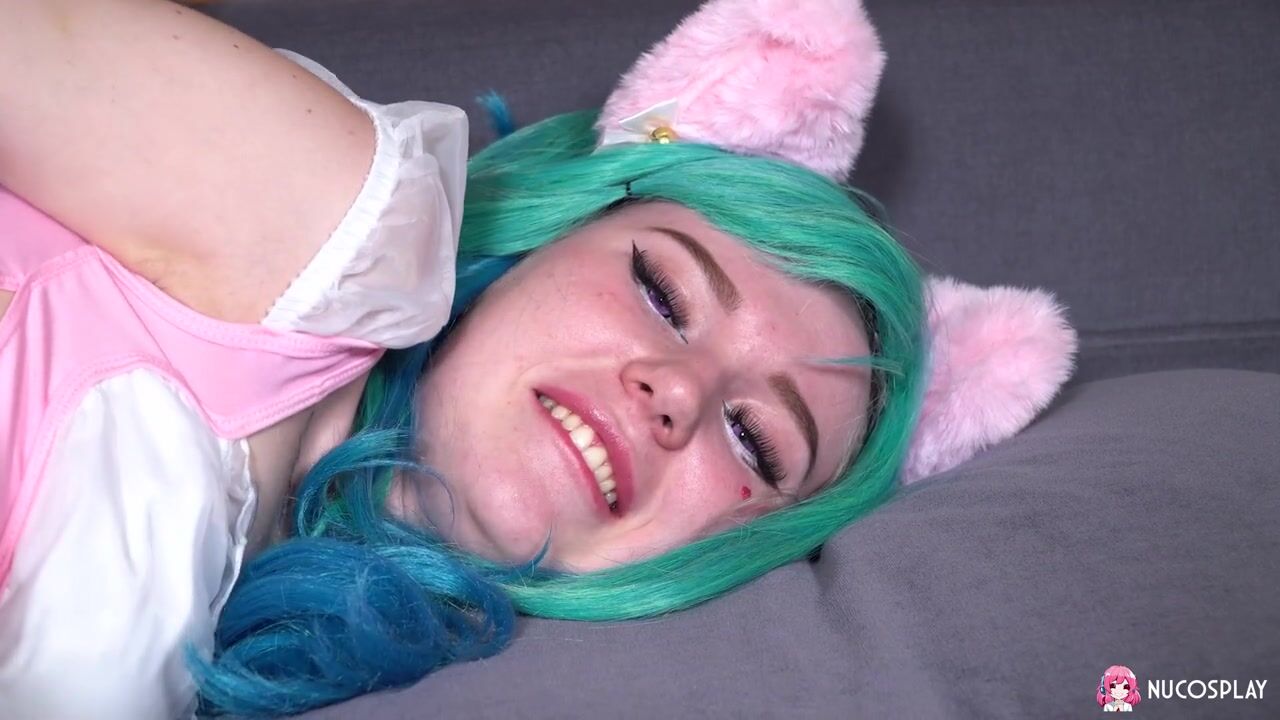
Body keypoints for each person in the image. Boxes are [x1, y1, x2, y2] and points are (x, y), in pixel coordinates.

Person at [0, 0, 949, 717]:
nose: (679, 391)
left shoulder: (302, 641)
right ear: (540, 238)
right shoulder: (341, 214)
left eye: (756, 441)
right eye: (662, 292)